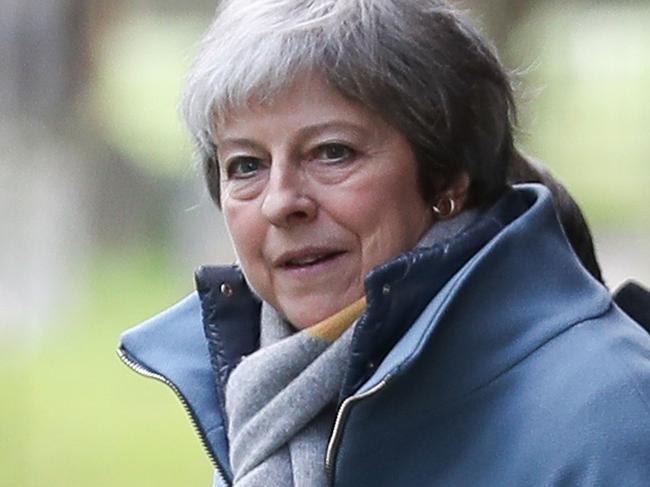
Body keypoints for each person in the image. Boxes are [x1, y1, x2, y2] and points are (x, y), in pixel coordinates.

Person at [118, 1, 650, 486]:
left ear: (447, 178)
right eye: (246, 165)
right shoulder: (269, 398)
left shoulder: (611, 412)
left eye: (331, 152)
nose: (280, 202)